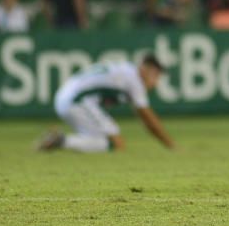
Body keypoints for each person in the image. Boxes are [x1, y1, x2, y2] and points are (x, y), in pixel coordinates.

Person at [36, 54, 175, 153]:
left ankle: (63, 141)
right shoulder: (135, 80)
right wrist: (170, 145)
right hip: (77, 101)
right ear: (146, 69)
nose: (155, 83)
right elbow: (148, 120)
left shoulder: (126, 70)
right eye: (156, 76)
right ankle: (63, 141)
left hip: (66, 97)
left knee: (110, 142)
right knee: (116, 143)